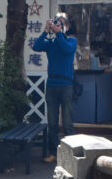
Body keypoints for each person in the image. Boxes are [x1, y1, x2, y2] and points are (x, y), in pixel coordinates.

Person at [32, 13, 78, 163]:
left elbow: (66, 49)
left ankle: (70, 155)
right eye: (57, 23)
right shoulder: (51, 43)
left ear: (67, 27)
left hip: (66, 86)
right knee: (52, 123)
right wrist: (46, 31)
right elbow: (36, 46)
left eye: (62, 23)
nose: (59, 26)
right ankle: (53, 153)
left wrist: (58, 33)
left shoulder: (72, 41)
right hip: (51, 85)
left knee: (67, 123)